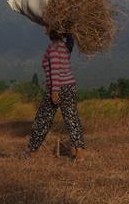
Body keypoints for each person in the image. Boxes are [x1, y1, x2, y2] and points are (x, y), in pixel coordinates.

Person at [23, 28, 86, 161]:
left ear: (51, 34)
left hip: (58, 88)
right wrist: (69, 30)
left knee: (42, 120)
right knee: (72, 120)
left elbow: (55, 70)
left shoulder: (53, 49)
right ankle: (79, 153)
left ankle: (32, 152)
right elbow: (71, 42)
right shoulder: (65, 48)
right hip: (70, 87)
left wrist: (54, 91)